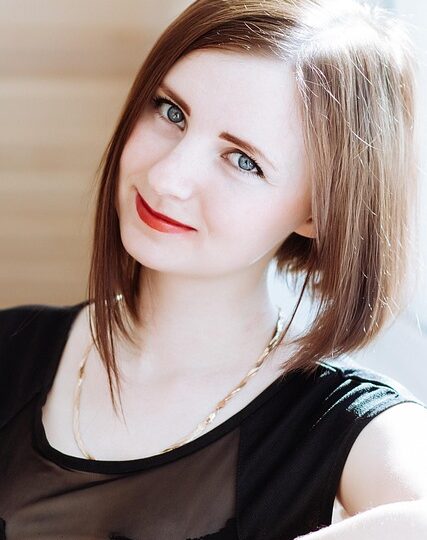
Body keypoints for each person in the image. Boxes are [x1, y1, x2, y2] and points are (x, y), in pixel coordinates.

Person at [0, 0, 426, 538]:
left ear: (319, 212)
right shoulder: (13, 346)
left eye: (243, 161)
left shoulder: (340, 419)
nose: (167, 177)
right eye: (171, 112)